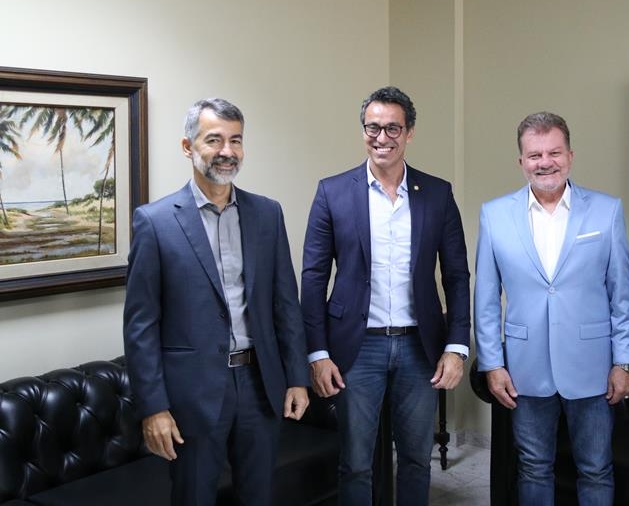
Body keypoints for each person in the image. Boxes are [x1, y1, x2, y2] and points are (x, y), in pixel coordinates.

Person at [123, 98, 310, 506]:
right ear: (188, 146)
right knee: (194, 497)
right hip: (193, 393)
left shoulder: (267, 214)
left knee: (258, 496)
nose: (227, 151)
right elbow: (141, 326)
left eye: (235, 140)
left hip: (260, 385)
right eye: (214, 140)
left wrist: (297, 377)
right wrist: (153, 408)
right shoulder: (155, 222)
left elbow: (285, 304)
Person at [300, 86, 470, 506]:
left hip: (419, 347)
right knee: (356, 463)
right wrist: (317, 353)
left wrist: (456, 347)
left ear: (409, 132)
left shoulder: (437, 193)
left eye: (393, 128)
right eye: (372, 127)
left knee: (415, 459)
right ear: (363, 131)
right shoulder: (332, 192)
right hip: (356, 349)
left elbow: (456, 276)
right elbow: (313, 278)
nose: (382, 137)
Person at [474, 111, 629, 505]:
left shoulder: (606, 211)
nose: (545, 162)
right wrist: (492, 364)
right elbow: (485, 300)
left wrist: (627, 361)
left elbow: (622, 297)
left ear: (570, 156)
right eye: (535, 155)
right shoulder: (494, 215)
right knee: (533, 467)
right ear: (521, 161)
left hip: (592, 366)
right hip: (525, 367)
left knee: (596, 469)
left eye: (554, 152)